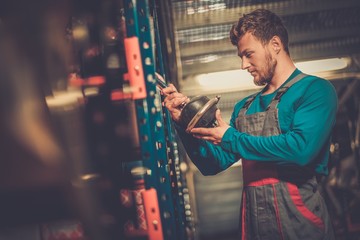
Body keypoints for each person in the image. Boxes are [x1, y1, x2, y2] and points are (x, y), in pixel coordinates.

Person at [162, 8, 338, 240]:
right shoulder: (245, 107)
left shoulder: (315, 90)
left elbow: (301, 149)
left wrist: (230, 137)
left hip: (301, 225)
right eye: (241, 57)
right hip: (255, 226)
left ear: (275, 44)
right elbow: (212, 164)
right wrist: (185, 124)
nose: (243, 65)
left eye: (248, 54)